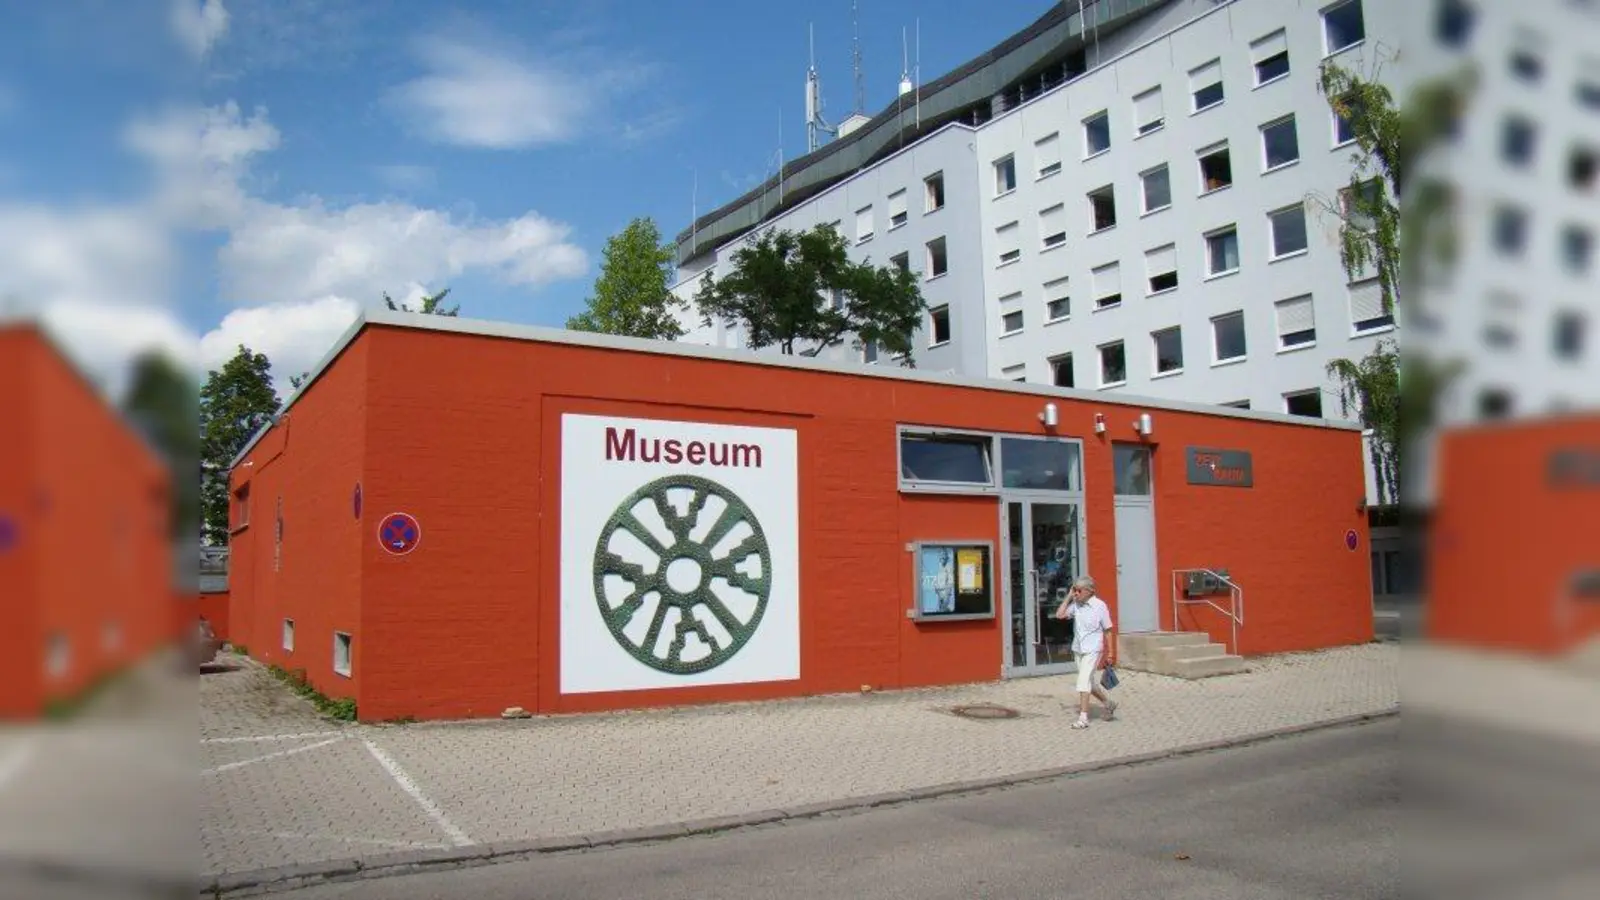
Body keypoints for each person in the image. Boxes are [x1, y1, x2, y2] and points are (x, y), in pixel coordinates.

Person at [1052, 575, 1117, 728]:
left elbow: (1108, 630)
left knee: (1082, 682)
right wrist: (1068, 597)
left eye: (1079, 590)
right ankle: (1108, 703)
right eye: (1074, 590)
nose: (1076, 593)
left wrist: (1111, 653)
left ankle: (1083, 719)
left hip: (1093, 649)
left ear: (1089, 591)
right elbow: (1059, 615)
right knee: (1089, 683)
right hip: (1079, 648)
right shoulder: (1076, 604)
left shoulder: (1100, 606)